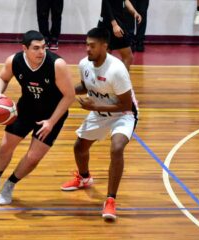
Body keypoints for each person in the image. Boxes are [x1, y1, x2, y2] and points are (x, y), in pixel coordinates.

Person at [0, 30, 75, 205]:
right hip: (27, 108)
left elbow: (70, 96)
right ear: (24, 49)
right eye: (36, 48)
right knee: (5, 146)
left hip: (52, 115)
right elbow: (2, 77)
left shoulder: (56, 64)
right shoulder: (14, 61)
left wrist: (51, 122)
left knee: (33, 157)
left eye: (44, 47)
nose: (41, 52)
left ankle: (10, 184)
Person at [61, 27, 139, 220]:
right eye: (86, 45)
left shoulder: (117, 70)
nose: (88, 49)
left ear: (105, 46)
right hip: (99, 110)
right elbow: (85, 86)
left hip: (123, 114)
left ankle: (111, 200)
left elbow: (126, 105)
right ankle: (85, 178)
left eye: (92, 46)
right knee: (79, 147)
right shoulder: (84, 64)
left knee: (117, 148)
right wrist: (66, 90)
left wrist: (94, 107)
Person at [99, 0, 142, 71]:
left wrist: (134, 12)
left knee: (106, 56)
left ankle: (108, 80)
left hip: (115, 21)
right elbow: (106, 2)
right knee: (127, 57)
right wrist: (114, 24)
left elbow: (125, 0)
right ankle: (121, 81)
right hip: (110, 22)